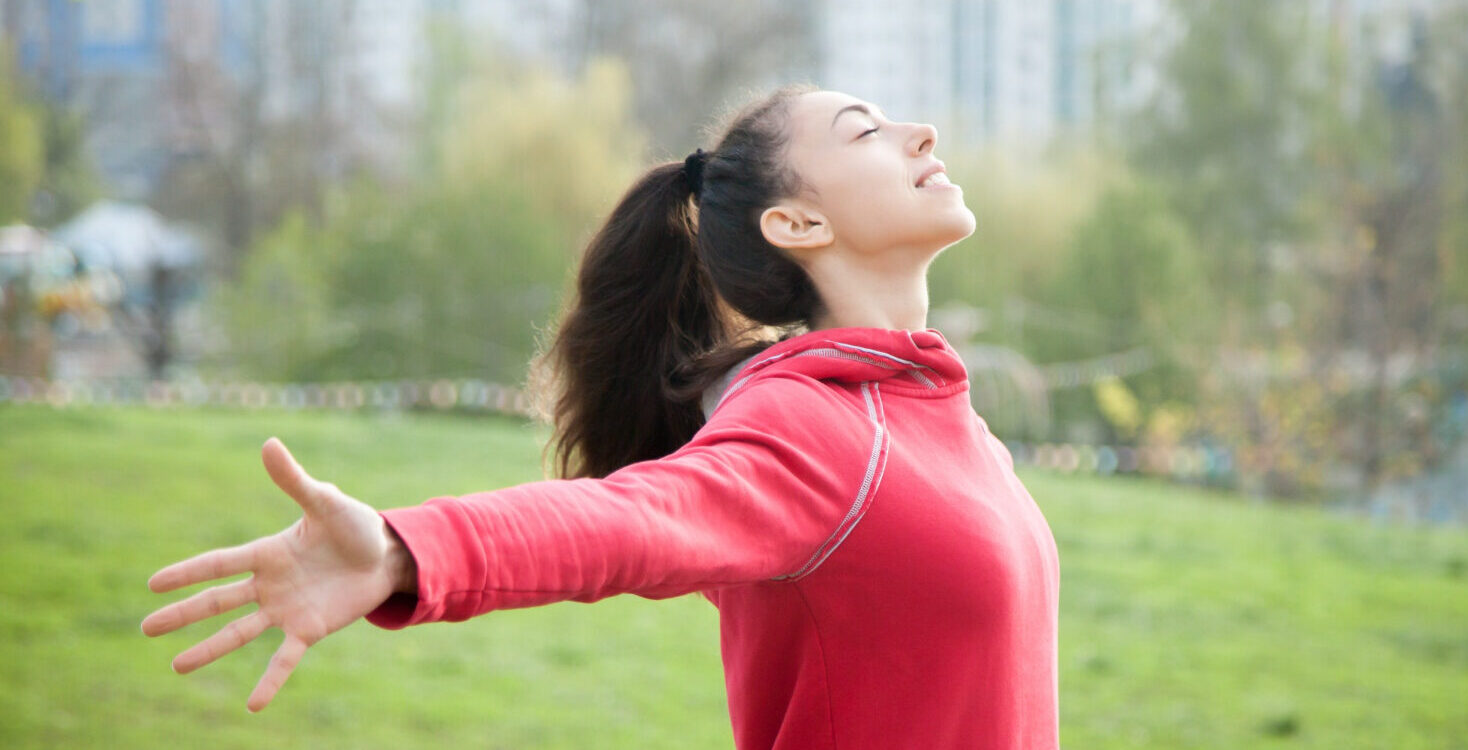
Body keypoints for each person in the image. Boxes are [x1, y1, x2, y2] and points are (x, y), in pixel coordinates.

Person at [142, 84, 1061, 749]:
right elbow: (629, 516)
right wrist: (406, 549)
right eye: (865, 129)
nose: (919, 131)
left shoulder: (943, 423)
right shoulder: (815, 426)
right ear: (797, 224)